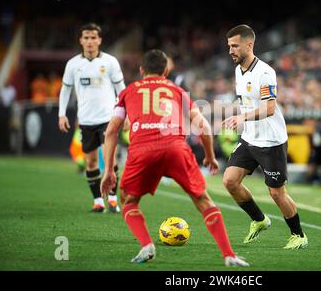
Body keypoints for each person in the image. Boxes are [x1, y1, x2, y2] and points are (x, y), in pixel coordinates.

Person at [100, 49, 248, 267]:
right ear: (166, 71)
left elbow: (111, 131)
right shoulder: (178, 91)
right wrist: (209, 156)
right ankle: (229, 255)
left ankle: (146, 245)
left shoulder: (128, 91)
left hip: (142, 150)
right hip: (176, 148)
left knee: (129, 201)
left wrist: (109, 170)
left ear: (141, 71)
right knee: (203, 200)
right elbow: (203, 127)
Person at [222, 24, 308, 250]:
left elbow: (270, 108)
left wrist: (242, 119)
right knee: (230, 180)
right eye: (229, 46)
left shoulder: (265, 72)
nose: (230, 50)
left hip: (270, 140)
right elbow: (247, 102)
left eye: (234, 46)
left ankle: (298, 235)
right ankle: (259, 220)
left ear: (249, 45)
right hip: (250, 137)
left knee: (276, 193)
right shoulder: (238, 70)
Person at [58, 23, 126, 213]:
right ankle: (98, 201)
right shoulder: (73, 64)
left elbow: (121, 90)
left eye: (93, 37)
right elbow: (65, 90)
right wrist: (61, 113)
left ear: (99, 40)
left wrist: (126, 113)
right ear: (81, 40)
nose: (89, 41)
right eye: (86, 38)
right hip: (86, 120)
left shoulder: (110, 62)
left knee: (110, 161)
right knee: (91, 163)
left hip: (108, 119)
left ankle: (113, 199)